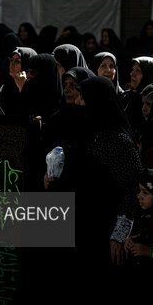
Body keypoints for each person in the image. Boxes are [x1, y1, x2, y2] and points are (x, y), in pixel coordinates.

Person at [57, 76, 142, 276]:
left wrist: (119, 236)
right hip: (77, 226)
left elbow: (133, 190)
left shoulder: (118, 142)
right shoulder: (86, 134)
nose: (77, 103)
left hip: (103, 232)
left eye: (83, 99)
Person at [121, 57, 153, 138]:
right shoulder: (126, 97)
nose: (132, 74)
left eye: (138, 71)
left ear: (149, 74)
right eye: (132, 70)